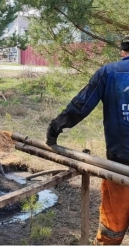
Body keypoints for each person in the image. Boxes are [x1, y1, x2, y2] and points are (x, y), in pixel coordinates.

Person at [46, 36, 129, 245]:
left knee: (112, 230)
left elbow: (81, 105)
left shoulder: (109, 73)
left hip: (119, 166)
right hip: (119, 165)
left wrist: (56, 127)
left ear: (123, 51)